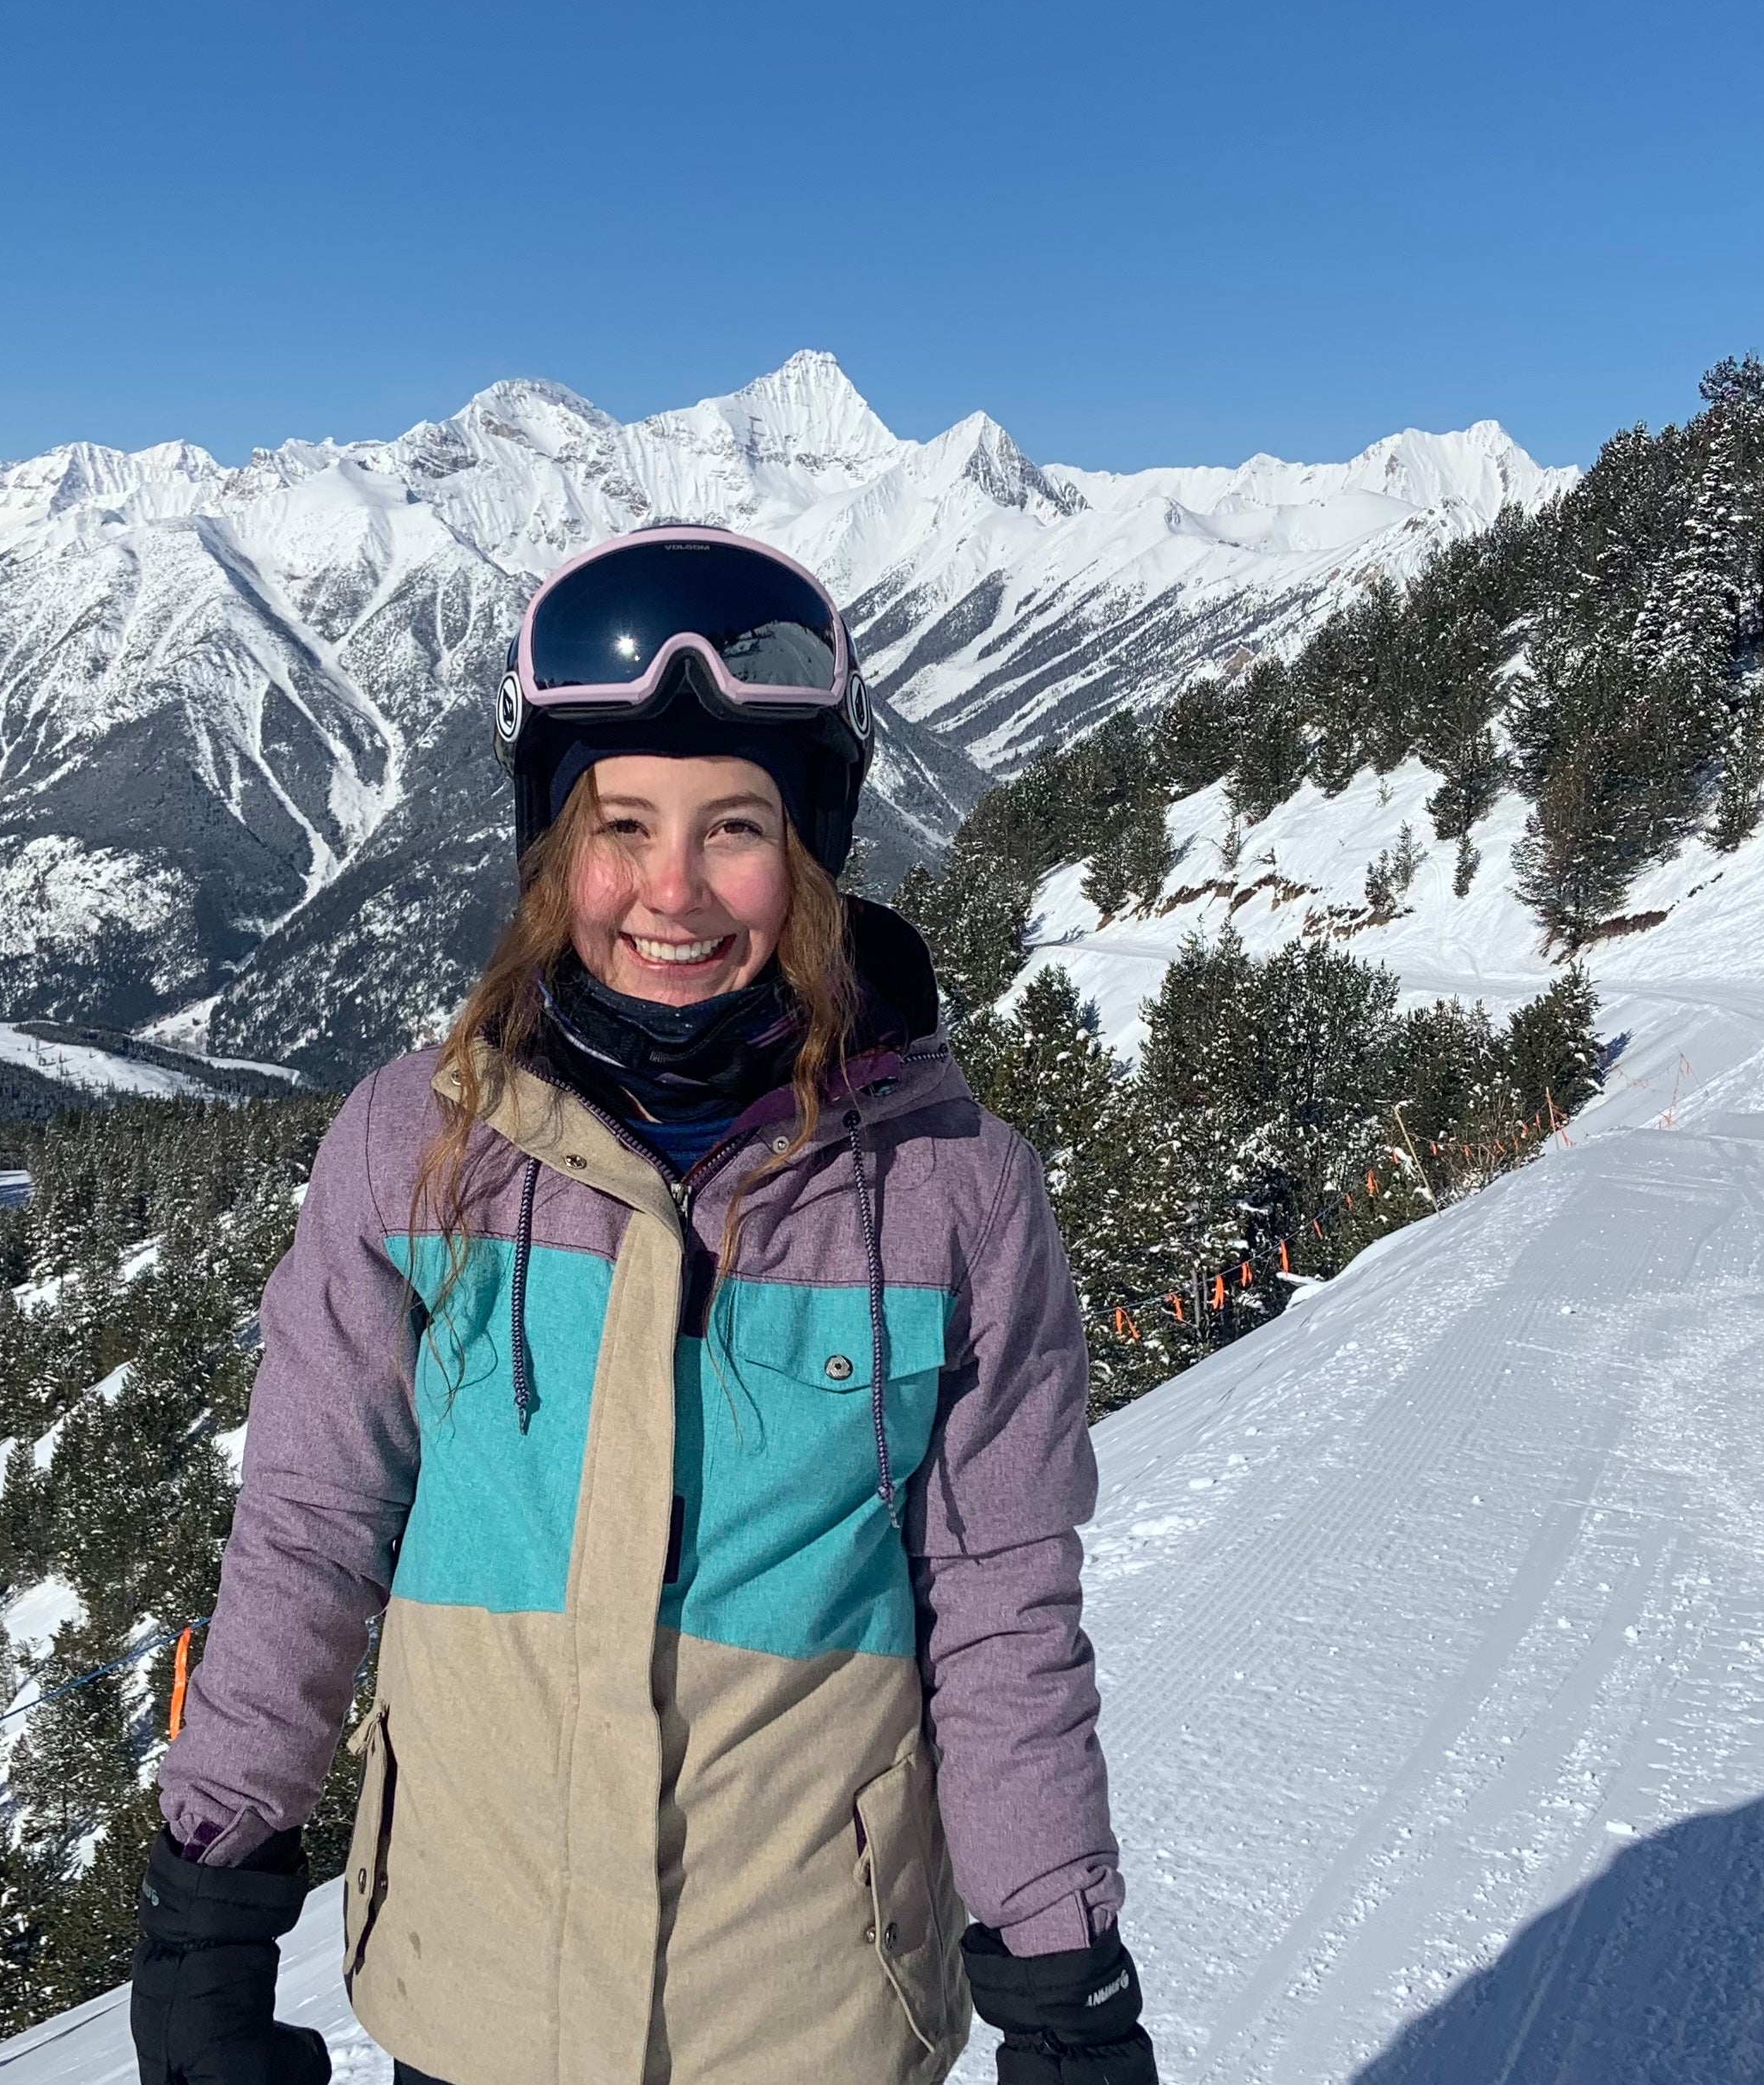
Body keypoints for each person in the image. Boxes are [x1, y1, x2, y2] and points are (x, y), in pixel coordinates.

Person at [129, 526, 1155, 2085]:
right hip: (480, 1993)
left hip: (802, 2012)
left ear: (807, 851)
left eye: (732, 827)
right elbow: (308, 1528)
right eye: (620, 825)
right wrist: (208, 1901)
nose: (669, 893)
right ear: (552, 848)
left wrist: (1064, 1986)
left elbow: (1000, 1608)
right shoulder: (416, 1149)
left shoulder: (951, 1192)